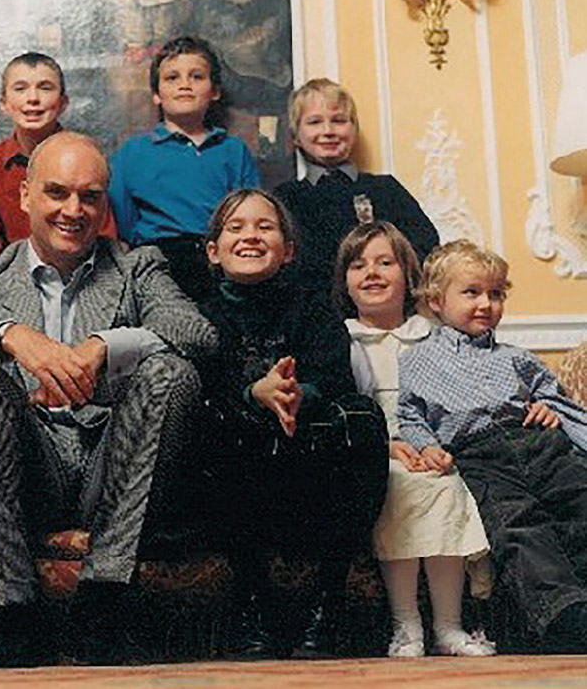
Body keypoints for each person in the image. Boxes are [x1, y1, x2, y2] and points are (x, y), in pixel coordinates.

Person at [0, 131, 217, 666]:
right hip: (27, 468)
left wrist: (108, 345)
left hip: (115, 466)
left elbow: (197, 333)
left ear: (105, 203)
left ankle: (106, 596)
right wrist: (11, 335)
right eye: (57, 193)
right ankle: (12, 607)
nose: (73, 210)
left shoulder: (136, 268)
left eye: (90, 196)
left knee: (175, 372)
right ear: (26, 197)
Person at [195, 189, 388, 658]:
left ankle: (328, 601)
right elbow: (200, 383)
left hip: (309, 467)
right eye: (236, 228)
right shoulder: (202, 313)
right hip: (240, 471)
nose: (251, 236)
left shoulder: (314, 306)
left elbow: (336, 375)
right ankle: (253, 603)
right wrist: (254, 393)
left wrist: (297, 395)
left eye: (266, 227)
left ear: (289, 251)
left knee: (363, 416)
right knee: (207, 419)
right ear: (214, 252)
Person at [398, 239, 587, 650]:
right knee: (518, 526)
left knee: (580, 502)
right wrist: (427, 446)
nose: (486, 303)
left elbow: (556, 399)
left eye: (496, 294)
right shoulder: (415, 361)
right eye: (472, 292)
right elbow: (410, 416)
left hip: (538, 443)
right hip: (479, 456)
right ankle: (566, 616)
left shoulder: (518, 357)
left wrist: (550, 412)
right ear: (435, 300)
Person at [336, 222, 494, 658]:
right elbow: (342, 408)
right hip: (375, 451)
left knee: (443, 487)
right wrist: (383, 446)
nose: (372, 272)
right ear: (344, 280)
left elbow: (460, 398)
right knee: (399, 487)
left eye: (386, 262)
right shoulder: (341, 340)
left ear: (409, 275)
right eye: (358, 264)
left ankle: (449, 626)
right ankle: (406, 626)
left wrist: (435, 447)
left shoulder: (433, 336)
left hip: (431, 448)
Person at [109, 36, 260, 301]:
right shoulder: (133, 154)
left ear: (215, 91)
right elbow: (124, 220)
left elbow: (250, 213)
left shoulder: (233, 151)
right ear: (156, 94)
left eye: (196, 76)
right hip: (158, 263)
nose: (184, 85)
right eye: (172, 78)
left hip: (220, 262)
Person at [274, 78, 438, 294]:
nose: (328, 130)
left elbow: (425, 244)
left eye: (339, 120)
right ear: (296, 136)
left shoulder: (385, 189)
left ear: (354, 130)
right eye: (314, 122)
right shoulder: (285, 198)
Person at [0, 52, 116, 261]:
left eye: (45, 87)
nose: (33, 98)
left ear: (63, 102)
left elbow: (104, 236)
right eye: (20, 88)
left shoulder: (87, 159)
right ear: (4, 103)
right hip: (8, 284)